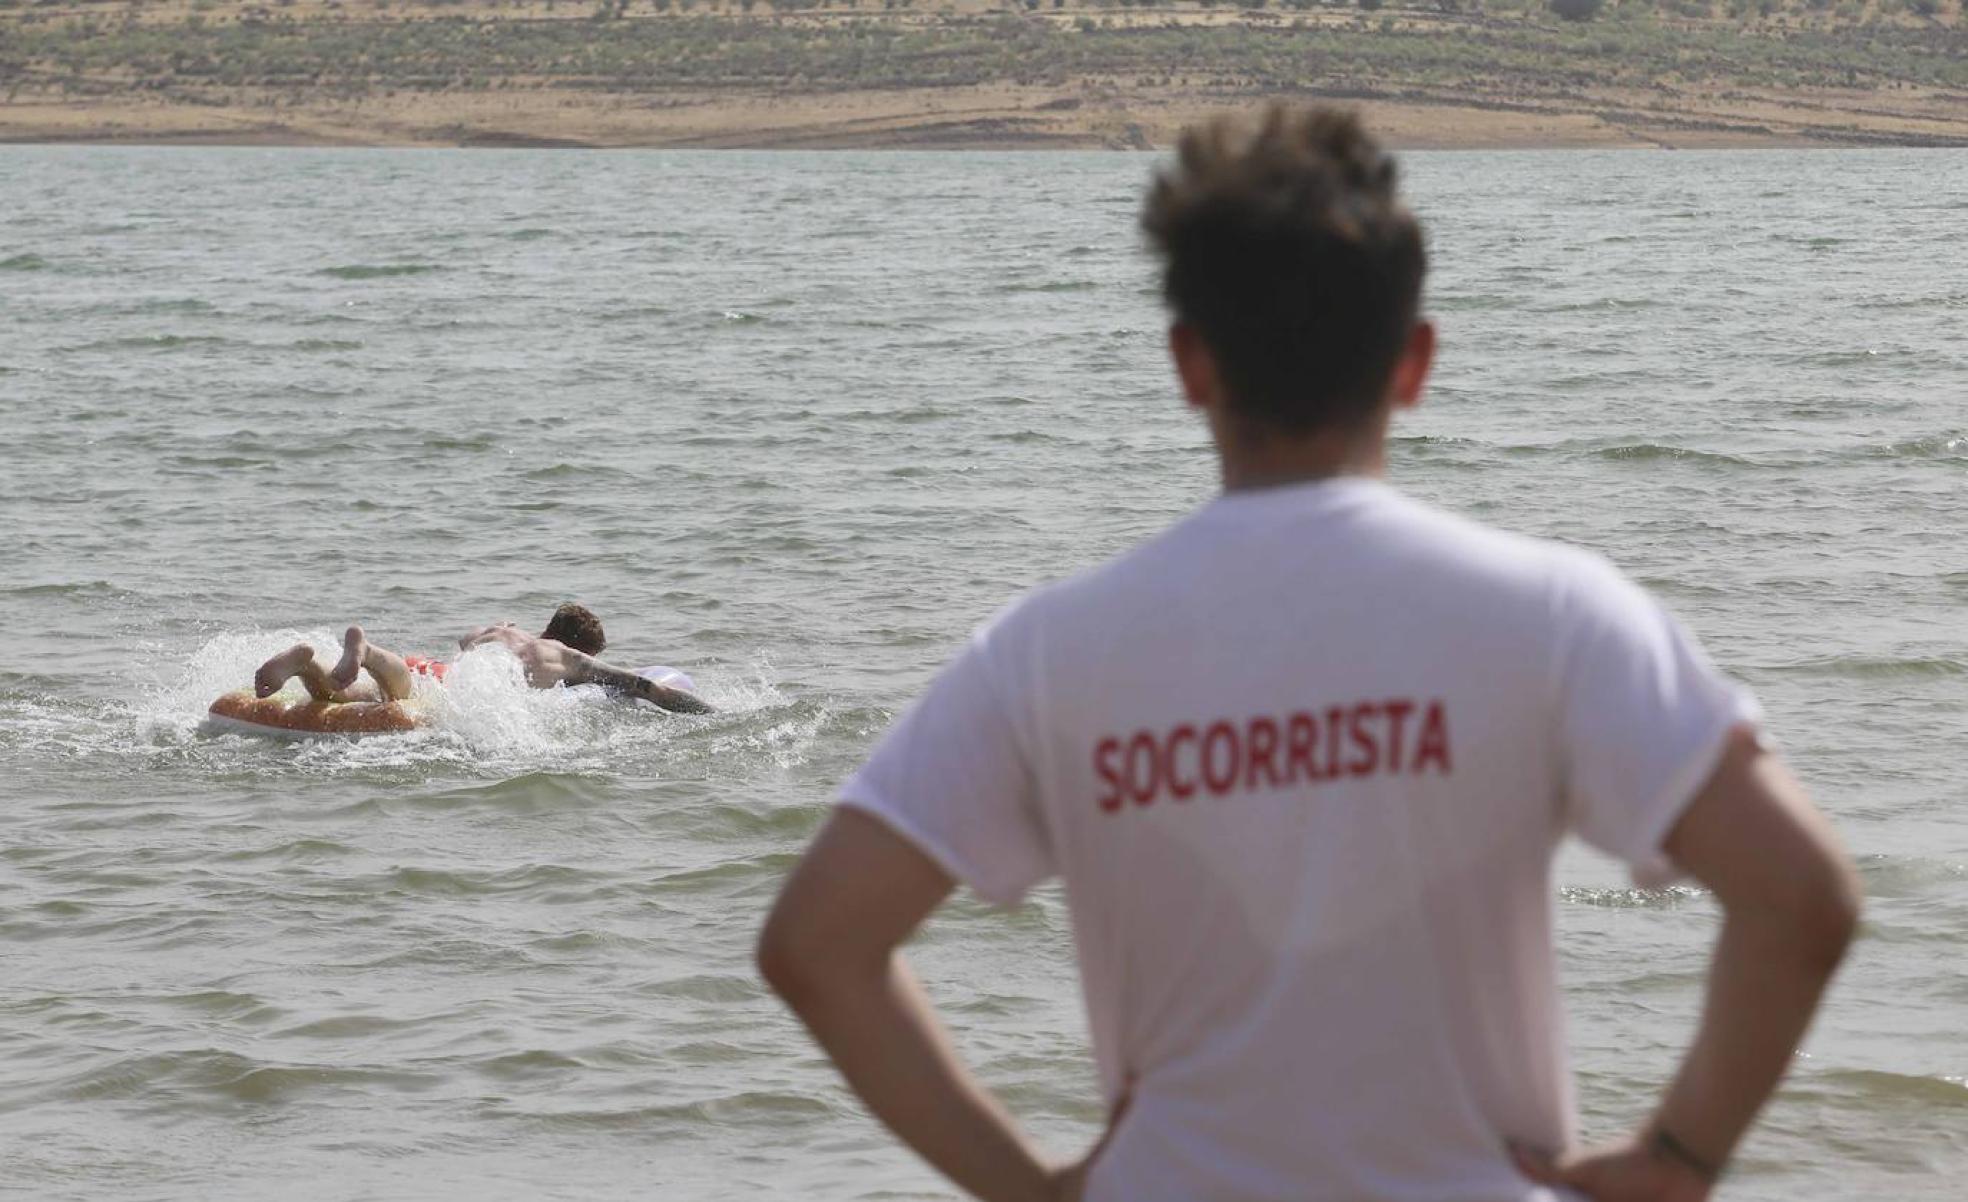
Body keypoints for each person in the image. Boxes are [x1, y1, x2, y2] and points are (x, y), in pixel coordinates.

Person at [756, 105, 1860, 1202]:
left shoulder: (1046, 652)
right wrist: (1680, 1157)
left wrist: (1033, 1188)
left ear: (1190, 364)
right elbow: (1802, 895)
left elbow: (817, 945)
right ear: (1414, 359)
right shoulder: (1551, 613)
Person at [251, 602, 713, 715]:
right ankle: (365, 650)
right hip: (455, 692)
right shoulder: (570, 658)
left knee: (341, 695)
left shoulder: (502, 631)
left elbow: (465, 638)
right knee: (396, 696)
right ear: (581, 647)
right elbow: (644, 686)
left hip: (433, 667)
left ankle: (307, 662)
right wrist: (708, 714)